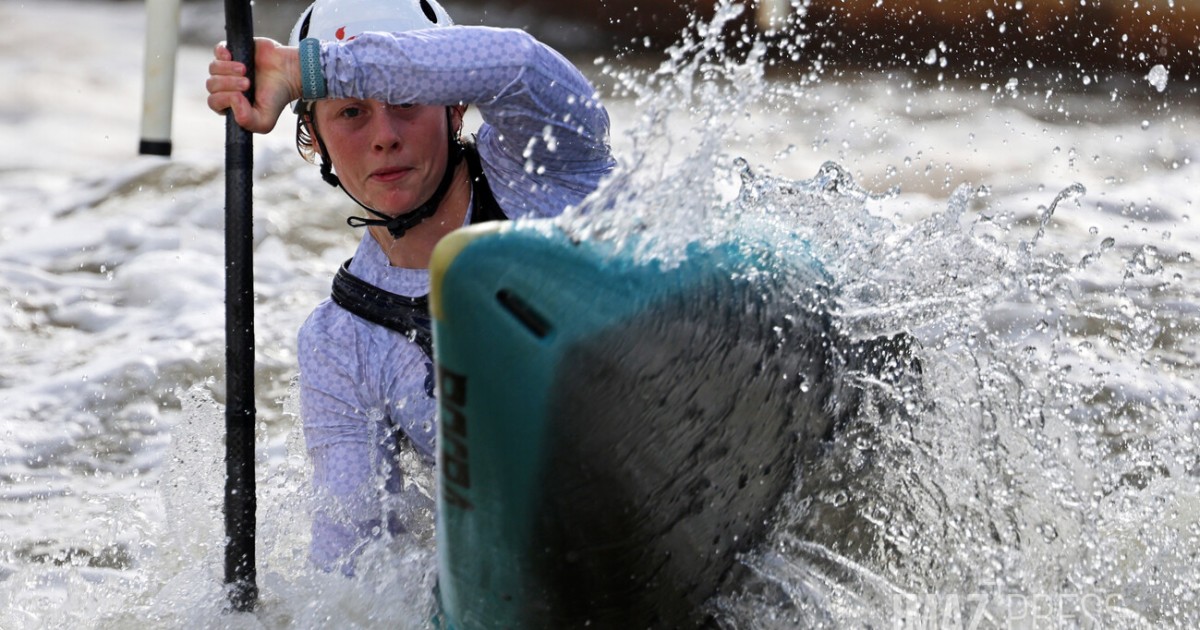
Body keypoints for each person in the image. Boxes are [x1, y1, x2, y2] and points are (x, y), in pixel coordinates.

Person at [206, 0, 616, 574]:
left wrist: (312, 73)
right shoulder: (339, 343)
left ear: (454, 108)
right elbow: (353, 561)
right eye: (350, 113)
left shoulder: (542, 164)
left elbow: (517, 63)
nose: (384, 137)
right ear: (315, 141)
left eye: (405, 101)